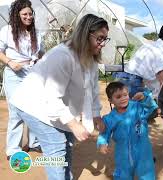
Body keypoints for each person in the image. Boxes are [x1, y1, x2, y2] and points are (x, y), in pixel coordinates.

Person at [10, 14, 108, 180]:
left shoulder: (90, 58)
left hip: (55, 106)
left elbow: (91, 88)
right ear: (85, 34)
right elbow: (51, 97)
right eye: (99, 38)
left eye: (106, 39)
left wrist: (96, 113)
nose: (103, 44)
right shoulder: (62, 56)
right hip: (34, 105)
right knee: (56, 147)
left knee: (68, 144)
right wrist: (74, 124)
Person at [0, 0, 44, 160]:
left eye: (30, 14)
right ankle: (12, 149)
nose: (28, 17)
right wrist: (10, 62)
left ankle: (33, 142)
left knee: (34, 110)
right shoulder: (7, 31)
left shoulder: (36, 33)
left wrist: (41, 62)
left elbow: (40, 54)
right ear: (17, 15)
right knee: (16, 112)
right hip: (14, 74)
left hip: (32, 74)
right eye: (24, 14)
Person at [97, 81, 157, 180]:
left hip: (143, 149)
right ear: (110, 100)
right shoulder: (109, 118)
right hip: (123, 152)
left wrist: (144, 97)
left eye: (125, 95)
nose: (123, 98)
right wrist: (102, 143)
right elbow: (104, 132)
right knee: (123, 175)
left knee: (147, 173)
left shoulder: (137, 107)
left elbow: (151, 108)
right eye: (118, 97)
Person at [113, 23, 163, 100]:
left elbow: (142, 71)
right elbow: (162, 81)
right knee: (137, 109)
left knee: (123, 109)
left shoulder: (148, 45)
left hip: (122, 77)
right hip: (132, 81)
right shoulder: (160, 51)